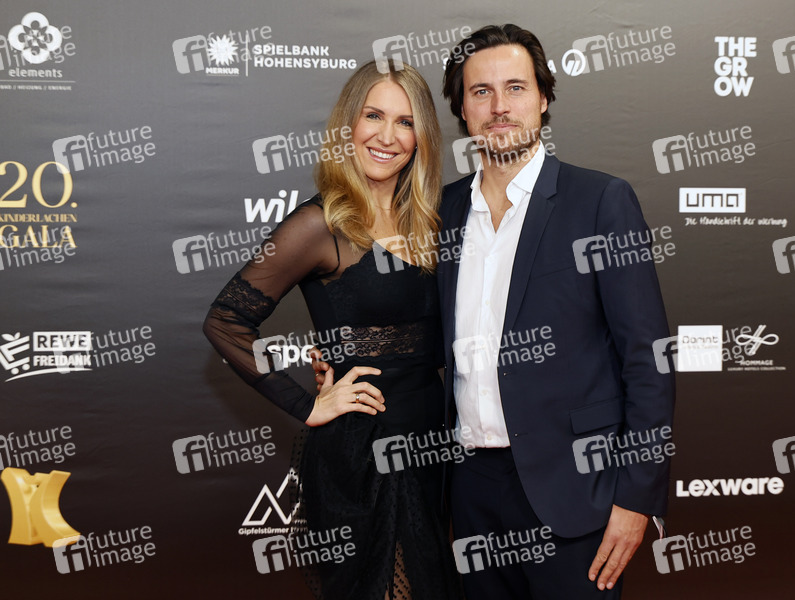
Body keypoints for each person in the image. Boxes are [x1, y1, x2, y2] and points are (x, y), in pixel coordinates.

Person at [202, 60, 462, 600]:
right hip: (365, 450)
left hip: (432, 443)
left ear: (422, 137)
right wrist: (308, 405)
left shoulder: (433, 219)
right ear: (349, 124)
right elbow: (225, 320)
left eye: (405, 122)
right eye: (373, 116)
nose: (387, 136)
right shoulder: (319, 223)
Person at [434, 25, 675, 599]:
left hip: (576, 496)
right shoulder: (442, 211)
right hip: (469, 492)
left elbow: (648, 359)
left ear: (543, 98)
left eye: (515, 88)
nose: (499, 106)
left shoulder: (600, 201)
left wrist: (636, 498)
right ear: (463, 109)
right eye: (481, 91)